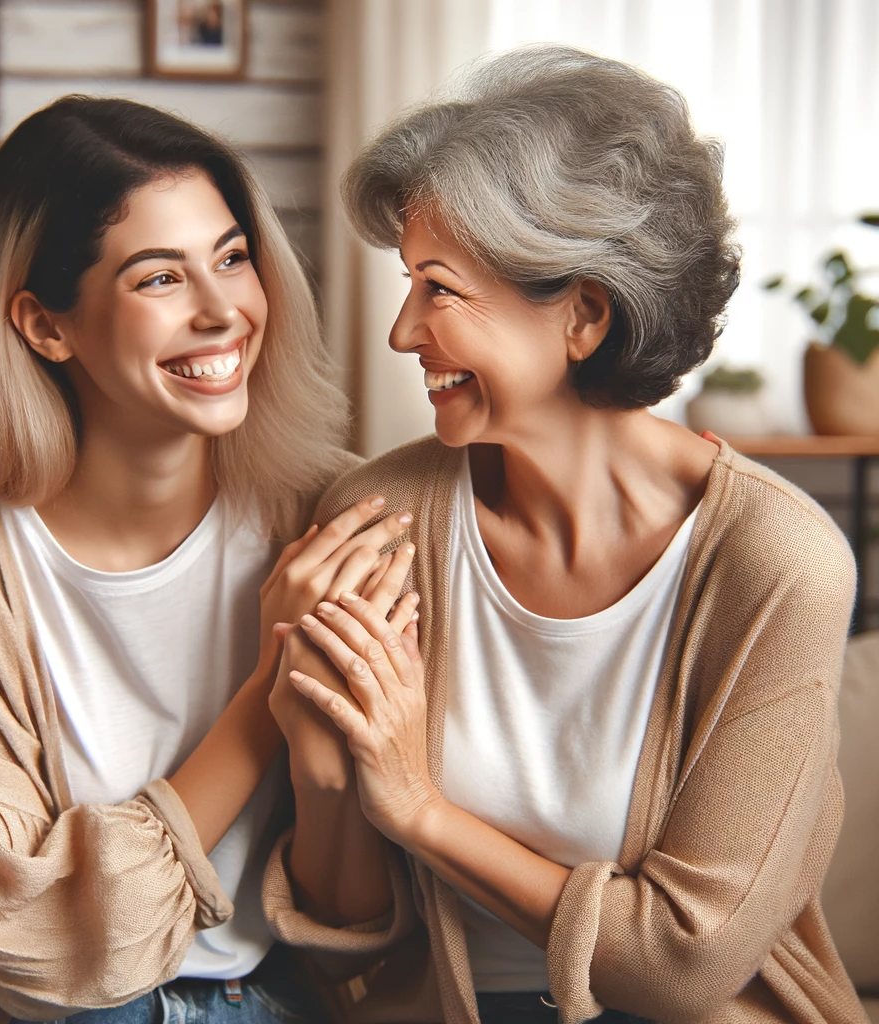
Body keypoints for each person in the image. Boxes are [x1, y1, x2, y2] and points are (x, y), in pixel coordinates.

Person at [264, 46, 868, 1024]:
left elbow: (680, 962)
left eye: (439, 289)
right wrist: (320, 760)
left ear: (581, 314)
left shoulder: (773, 560)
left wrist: (419, 805)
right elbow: (348, 953)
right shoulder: (375, 521)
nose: (402, 332)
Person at [0, 95, 417, 1024]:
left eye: (233, 258)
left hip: (285, 996)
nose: (221, 311)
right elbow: (38, 940)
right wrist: (268, 690)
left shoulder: (338, 517)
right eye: (159, 279)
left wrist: (324, 755)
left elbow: (356, 914)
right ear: (43, 325)